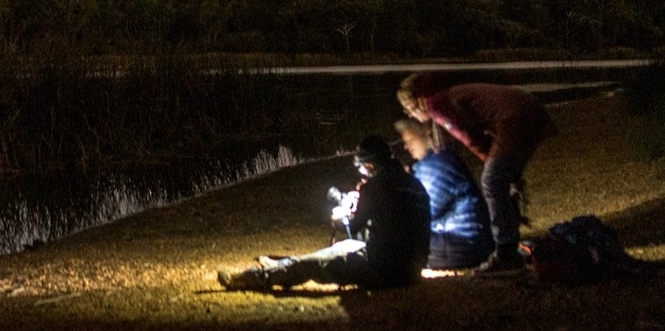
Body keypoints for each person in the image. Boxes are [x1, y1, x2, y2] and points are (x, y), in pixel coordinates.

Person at [218, 136, 430, 291]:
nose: (362, 174)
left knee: (318, 264)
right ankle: (282, 265)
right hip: (412, 270)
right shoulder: (415, 184)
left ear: (370, 165)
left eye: (362, 169)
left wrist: (340, 217)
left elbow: (352, 231)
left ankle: (253, 278)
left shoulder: (373, 188)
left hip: (384, 271)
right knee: (341, 248)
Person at [397, 72, 557, 272]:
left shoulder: (436, 104)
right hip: (529, 109)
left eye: (410, 109)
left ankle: (506, 252)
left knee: (492, 180)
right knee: (503, 179)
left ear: (418, 100)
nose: (412, 116)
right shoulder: (445, 97)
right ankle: (509, 240)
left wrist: (488, 159)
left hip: (514, 117)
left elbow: (469, 137)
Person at [395, 117, 494, 269]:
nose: (406, 147)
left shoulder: (436, 166)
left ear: (426, 135)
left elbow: (424, 213)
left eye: (410, 139)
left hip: (461, 243)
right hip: (470, 240)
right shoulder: (436, 161)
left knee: (398, 245)